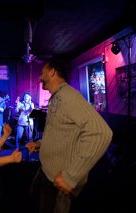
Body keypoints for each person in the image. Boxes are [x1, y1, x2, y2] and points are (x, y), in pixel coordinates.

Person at [25, 59, 113, 213]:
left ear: (52, 72)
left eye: (42, 72)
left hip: (58, 177)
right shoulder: (56, 97)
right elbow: (58, 131)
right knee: (35, 196)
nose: (39, 77)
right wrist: (40, 143)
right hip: (46, 170)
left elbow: (101, 132)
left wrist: (71, 176)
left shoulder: (68, 95)